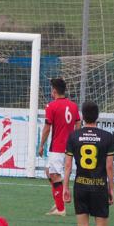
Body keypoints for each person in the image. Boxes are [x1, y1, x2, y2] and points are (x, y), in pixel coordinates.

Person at [62, 102, 114, 226]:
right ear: (97, 116)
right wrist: (111, 188)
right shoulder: (107, 137)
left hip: (81, 186)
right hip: (99, 187)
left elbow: (68, 165)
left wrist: (65, 187)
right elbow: (109, 166)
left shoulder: (74, 136)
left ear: (83, 116)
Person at [38, 77, 79, 216]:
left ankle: (60, 209)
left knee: (54, 176)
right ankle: (59, 199)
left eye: (51, 89)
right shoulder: (73, 106)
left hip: (57, 147)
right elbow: (78, 124)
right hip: (69, 147)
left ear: (54, 91)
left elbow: (47, 128)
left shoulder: (51, 106)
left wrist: (41, 145)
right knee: (48, 172)